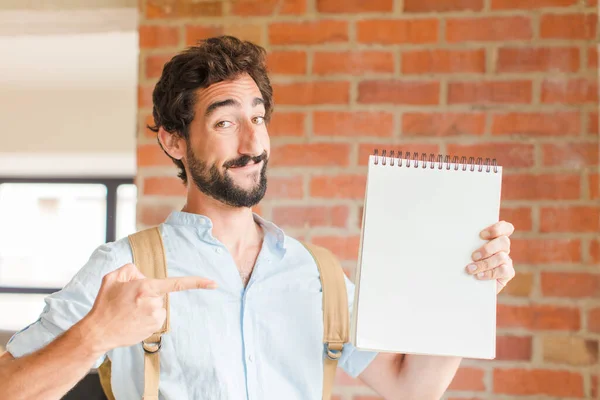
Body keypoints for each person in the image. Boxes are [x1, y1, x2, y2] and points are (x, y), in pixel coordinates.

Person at [0, 36, 515, 400]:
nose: (253, 144)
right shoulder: (124, 269)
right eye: (225, 121)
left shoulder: (320, 276)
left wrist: (466, 294)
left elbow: (411, 388)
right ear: (174, 140)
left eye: (259, 118)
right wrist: (94, 335)